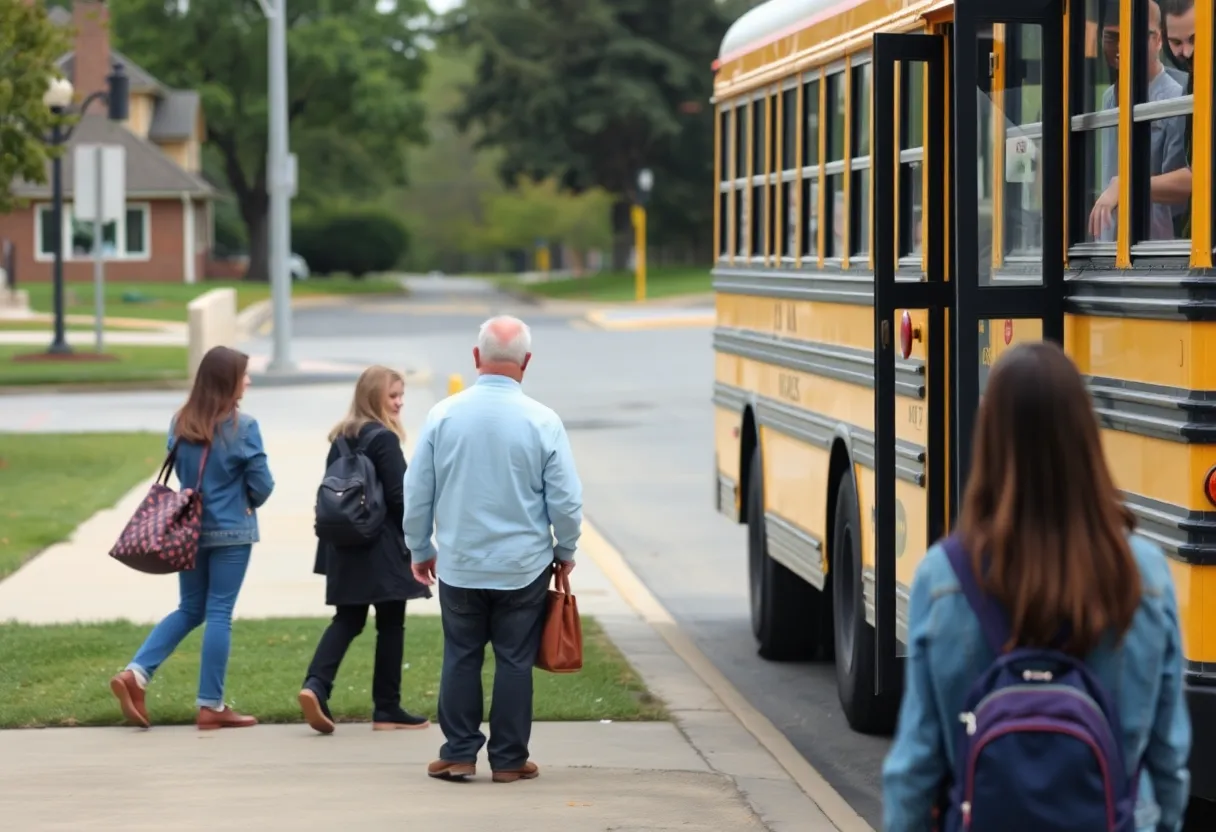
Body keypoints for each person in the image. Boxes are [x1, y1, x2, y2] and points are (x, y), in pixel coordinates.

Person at [881, 341, 1191, 831]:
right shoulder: (1145, 576)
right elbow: (1168, 758)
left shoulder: (943, 578)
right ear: (1086, 440)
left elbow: (916, 769)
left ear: (989, 443)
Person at [404, 315, 583, 784]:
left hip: (461, 564)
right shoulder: (544, 421)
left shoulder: (443, 415)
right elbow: (565, 499)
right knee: (514, 661)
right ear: (527, 362)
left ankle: (460, 753)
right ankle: (508, 759)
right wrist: (564, 548)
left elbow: (418, 490)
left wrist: (420, 548)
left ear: (477, 357)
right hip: (523, 566)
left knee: (461, 655)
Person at [109, 346, 274, 730]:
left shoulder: (181, 421)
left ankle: (136, 673)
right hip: (231, 531)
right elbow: (263, 484)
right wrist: (246, 499)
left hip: (189, 531)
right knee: (218, 612)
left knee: (190, 608)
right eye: (243, 375)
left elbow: (182, 466)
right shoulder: (243, 426)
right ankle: (211, 705)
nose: (248, 381)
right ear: (227, 380)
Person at [298, 365, 432, 734]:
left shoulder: (340, 438)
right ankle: (387, 708)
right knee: (391, 625)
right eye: (393, 396)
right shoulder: (383, 439)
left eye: (401, 395)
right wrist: (421, 539)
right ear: (374, 397)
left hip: (343, 545)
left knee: (348, 619)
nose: (400, 402)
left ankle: (315, 685)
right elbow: (399, 498)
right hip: (382, 546)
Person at [1089, 0, 1187, 241]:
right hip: (1109, 242)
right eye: (1111, 37)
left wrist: (1126, 187)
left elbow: (1184, 192)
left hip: (1153, 245)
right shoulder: (1109, 97)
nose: (1122, 46)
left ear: (1159, 40)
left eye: (1136, 35)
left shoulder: (1177, 97)